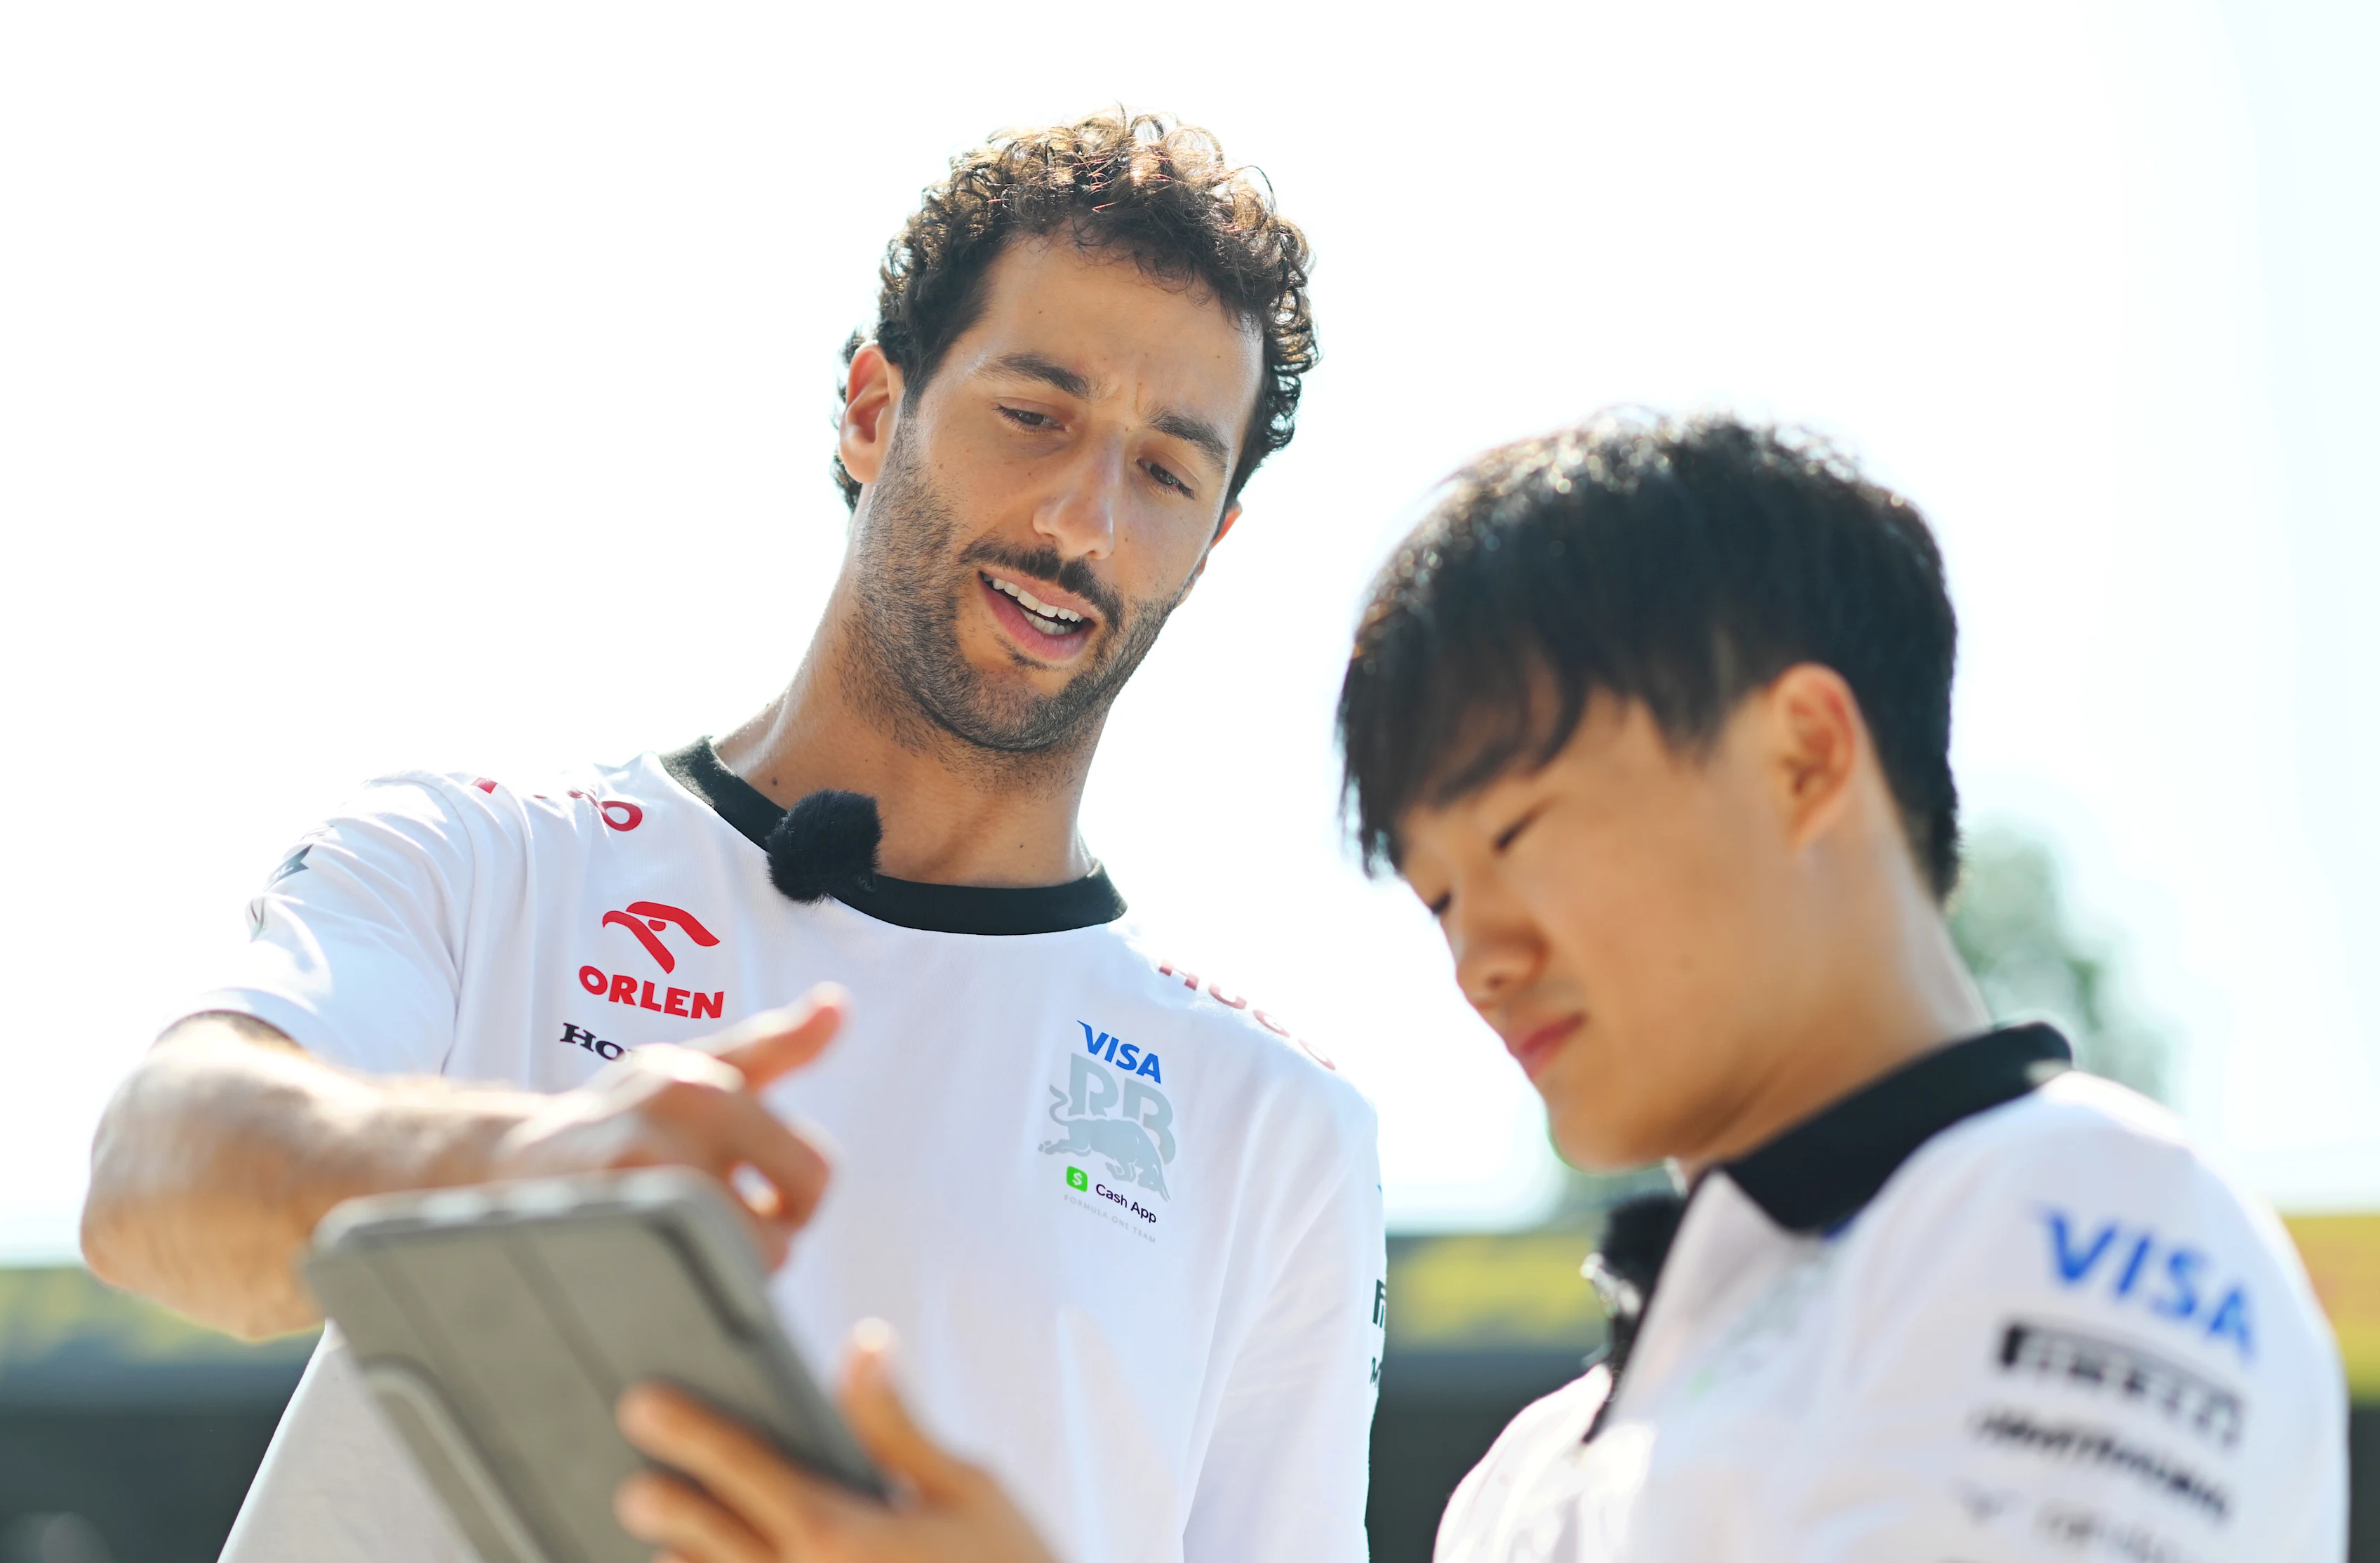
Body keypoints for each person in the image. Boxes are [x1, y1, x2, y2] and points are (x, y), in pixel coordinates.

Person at [605, 413, 2344, 1563]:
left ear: (1805, 754)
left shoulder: (2096, 1218)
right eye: (1438, 892)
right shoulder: (1530, 1472)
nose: (1477, 957)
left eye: (1524, 836)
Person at [79, 111, 1384, 1563]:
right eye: (1037, 414)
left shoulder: (1279, 1135)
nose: (1082, 521)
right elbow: (149, 1180)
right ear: (874, 407)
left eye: (1164, 471)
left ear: (1215, 539)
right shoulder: (490, 862)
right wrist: (511, 1175)